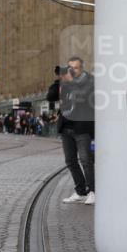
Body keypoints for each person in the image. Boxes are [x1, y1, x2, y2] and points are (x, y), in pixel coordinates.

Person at [49, 57, 95, 205]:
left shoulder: (90, 81)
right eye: (70, 68)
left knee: (86, 160)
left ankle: (94, 192)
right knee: (70, 161)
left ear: (81, 68)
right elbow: (50, 97)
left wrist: (70, 82)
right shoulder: (66, 83)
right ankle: (81, 191)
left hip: (82, 128)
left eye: (75, 68)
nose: (72, 71)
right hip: (66, 128)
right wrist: (59, 80)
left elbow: (82, 97)